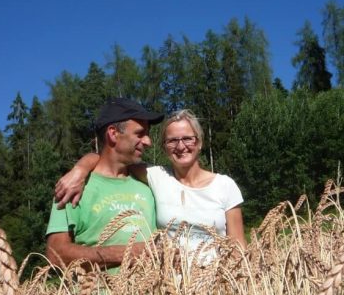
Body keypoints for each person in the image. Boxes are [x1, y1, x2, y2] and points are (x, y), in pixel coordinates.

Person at [54, 109, 247, 257]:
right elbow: (110, 158)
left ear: (200, 142)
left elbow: (239, 248)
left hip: (218, 292)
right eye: (172, 141)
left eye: (188, 138)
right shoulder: (156, 177)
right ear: (164, 147)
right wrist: (80, 169)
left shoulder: (224, 186)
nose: (181, 146)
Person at [46, 97, 164, 272]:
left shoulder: (149, 182)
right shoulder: (72, 186)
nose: (148, 142)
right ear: (113, 133)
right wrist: (128, 253)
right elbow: (55, 254)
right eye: (140, 133)